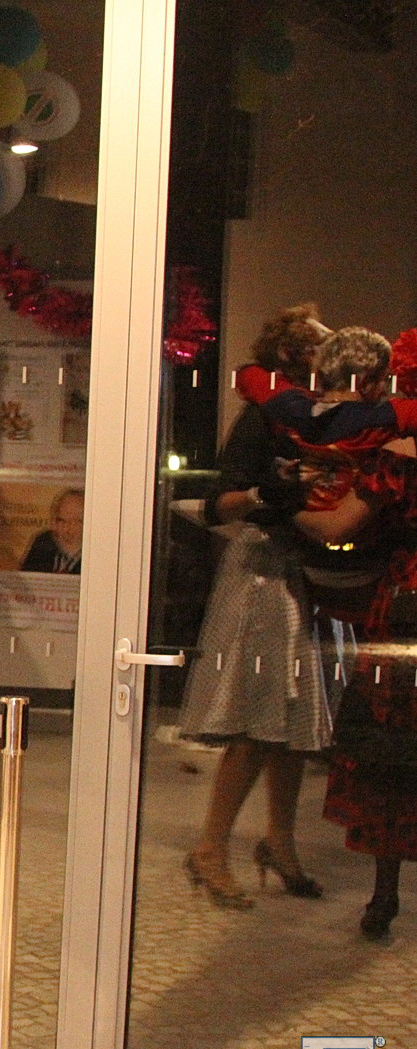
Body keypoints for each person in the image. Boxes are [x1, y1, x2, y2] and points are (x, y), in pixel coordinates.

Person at [176, 305, 339, 908]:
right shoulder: (262, 416)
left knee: (289, 723)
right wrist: (266, 492)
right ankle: (210, 849)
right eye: (320, 349)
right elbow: (219, 503)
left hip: (295, 570)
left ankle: (279, 842)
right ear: (293, 356)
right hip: (261, 574)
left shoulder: (313, 417)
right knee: (254, 720)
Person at [282, 327, 417, 940]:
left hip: (407, 606)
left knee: (393, 753)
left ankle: (384, 896)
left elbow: (339, 525)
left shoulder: (401, 454)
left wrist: (280, 506)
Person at [19, 487, 83, 573]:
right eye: (62, 521)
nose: (68, 529)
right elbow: (26, 577)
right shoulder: (43, 542)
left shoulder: (94, 552)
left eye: (76, 522)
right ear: (54, 523)